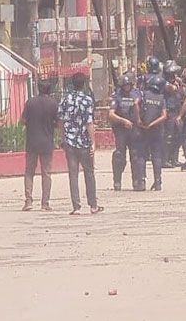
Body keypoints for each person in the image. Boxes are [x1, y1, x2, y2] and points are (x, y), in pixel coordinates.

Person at [58, 72, 103, 215]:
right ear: (84, 84)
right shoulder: (87, 100)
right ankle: (93, 205)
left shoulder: (66, 99)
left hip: (70, 141)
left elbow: (60, 120)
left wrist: (63, 136)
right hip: (84, 141)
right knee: (89, 173)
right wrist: (93, 142)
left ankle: (76, 206)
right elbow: (89, 123)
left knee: (73, 174)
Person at [22, 80, 59, 211]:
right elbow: (58, 122)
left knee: (29, 172)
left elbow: (23, 120)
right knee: (46, 173)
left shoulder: (30, 102)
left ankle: (28, 201)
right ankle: (45, 203)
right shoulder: (53, 104)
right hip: (47, 142)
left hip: (32, 142)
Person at [108, 74, 141, 191]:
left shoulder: (137, 93)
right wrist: (123, 121)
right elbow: (111, 114)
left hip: (134, 129)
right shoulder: (117, 96)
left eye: (129, 85)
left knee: (136, 156)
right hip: (121, 130)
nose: (127, 87)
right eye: (125, 85)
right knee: (119, 156)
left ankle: (137, 181)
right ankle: (117, 181)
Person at [137, 75, 169, 191]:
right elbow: (164, 116)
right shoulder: (161, 98)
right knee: (156, 156)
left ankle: (141, 182)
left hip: (143, 129)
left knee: (141, 155)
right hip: (157, 130)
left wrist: (138, 120)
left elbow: (136, 104)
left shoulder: (143, 94)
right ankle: (158, 182)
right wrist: (153, 124)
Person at [162, 61, 186, 168]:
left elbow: (183, 92)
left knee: (178, 135)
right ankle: (165, 159)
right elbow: (171, 89)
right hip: (168, 111)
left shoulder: (177, 82)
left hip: (177, 111)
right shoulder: (163, 82)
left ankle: (174, 158)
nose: (175, 75)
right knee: (168, 136)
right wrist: (176, 85)